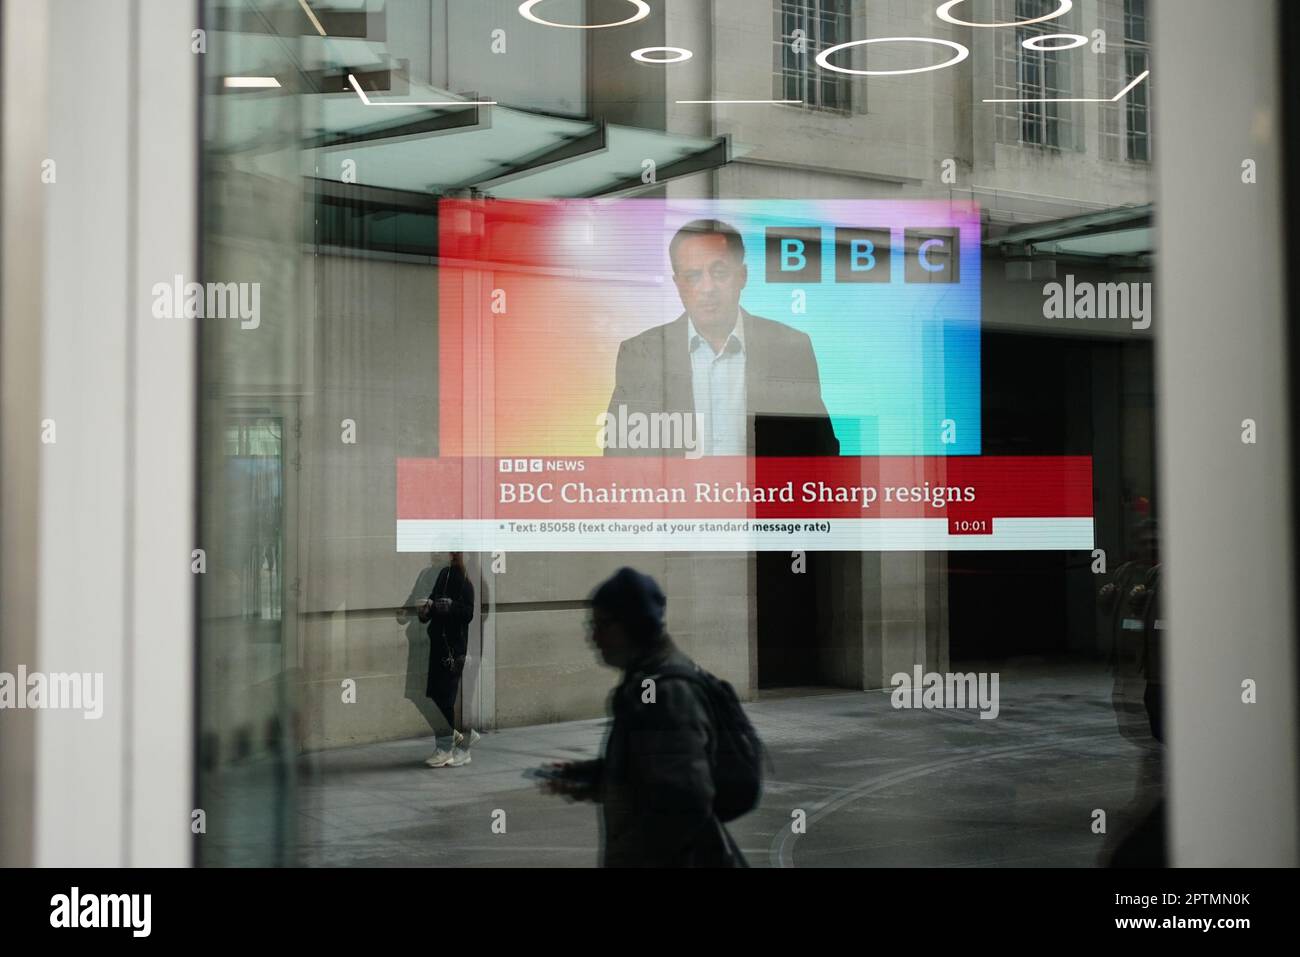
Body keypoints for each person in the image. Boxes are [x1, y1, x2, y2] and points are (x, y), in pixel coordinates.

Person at [538, 567, 749, 867]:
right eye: (591, 625)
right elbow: (648, 774)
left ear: (633, 626)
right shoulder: (645, 680)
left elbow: (686, 802)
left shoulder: (665, 692)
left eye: (602, 624)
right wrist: (592, 776)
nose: (593, 637)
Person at [604, 218, 839, 458]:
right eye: (693, 276)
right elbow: (619, 456)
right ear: (677, 284)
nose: (707, 288)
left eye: (719, 273)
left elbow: (820, 451)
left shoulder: (789, 348)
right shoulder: (642, 353)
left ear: (742, 276)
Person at [416, 552, 479, 768]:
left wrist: (450, 606)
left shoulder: (465, 579)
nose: (435, 555)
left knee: (445, 699)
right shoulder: (443, 575)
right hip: (438, 644)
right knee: (435, 697)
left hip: (454, 648)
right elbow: (433, 605)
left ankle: (447, 748)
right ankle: (461, 741)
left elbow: (469, 613)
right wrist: (427, 610)